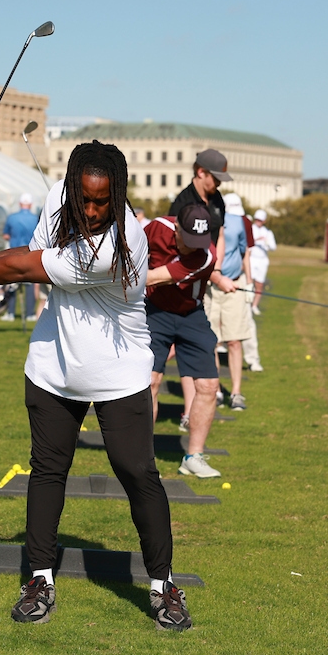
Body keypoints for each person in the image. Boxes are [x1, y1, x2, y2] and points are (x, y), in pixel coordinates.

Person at [0, 140, 191, 632]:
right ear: (70, 189)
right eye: (83, 199)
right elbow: (32, 253)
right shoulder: (56, 201)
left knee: (138, 473)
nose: (91, 211)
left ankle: (162, 584)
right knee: (47, 471)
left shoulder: (121, 244)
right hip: (54, 366)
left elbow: (27, 270)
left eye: (102, 201)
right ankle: (40, 577)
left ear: (118, 195)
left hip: (119, 372)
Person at [144, 204, 223, 479]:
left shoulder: (205, 255)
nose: (192, 247)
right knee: (149, 381)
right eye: (188, 241)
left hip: (191, 314)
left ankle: (194, 457)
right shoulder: (156, 227)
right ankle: (141, 457)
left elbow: (153, 277)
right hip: (155, 312)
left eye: (198, 242)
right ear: (176, 228)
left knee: (209, 386)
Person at [167, 149, 237, 419]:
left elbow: (218, 236)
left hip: (209, 275)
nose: (218, 184)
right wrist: (214, 275)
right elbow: (180, 250)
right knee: (184, 345)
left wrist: (216, 270)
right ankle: (187, 410)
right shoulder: (182, 203)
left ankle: (194, 408)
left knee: (201, 344)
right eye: (215, 178)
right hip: (187, 281)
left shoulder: (217, 199)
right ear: (200, 172)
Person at [206, 193, 252, 410]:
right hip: (209, 287)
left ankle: (236, 393)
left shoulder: (238, 221)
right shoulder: (206, 219)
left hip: (234, 284)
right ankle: (215, 391)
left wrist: (249, 283)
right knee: (211, 341)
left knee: (234, 341)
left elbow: (245, 254)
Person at [242, 209, 277, 371]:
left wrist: (265, 241)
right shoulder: (249, 229)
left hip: (261, 261)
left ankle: (253, 360)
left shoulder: (267, 232)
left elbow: (273, 247)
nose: (258, 222)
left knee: (259, 286)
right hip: (248, 264)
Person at [1, 193, 41, 321]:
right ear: (30, 204)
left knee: (11, 283)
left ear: (20, 203)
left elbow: (6, 235)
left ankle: (10, 313)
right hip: (29, 254)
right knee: (29, 284)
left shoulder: (12, 217)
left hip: (14, 253)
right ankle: (30, 314)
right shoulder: (35, 218)